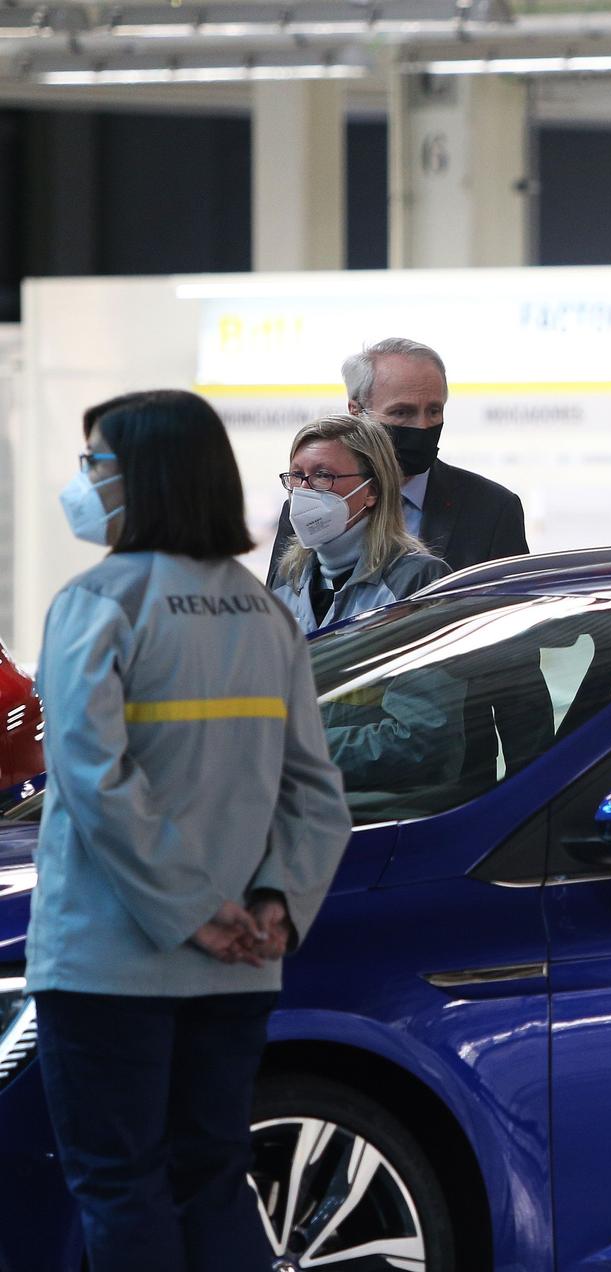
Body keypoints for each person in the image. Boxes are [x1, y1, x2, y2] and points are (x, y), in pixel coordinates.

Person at [33, 389, 349, 1272]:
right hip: (240, 965)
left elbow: (97, 782)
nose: (84, 483)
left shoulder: (99, 600)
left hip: (111, 960)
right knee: (211, 1179)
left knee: (119, 1183)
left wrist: (194, 910)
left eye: (95, 465)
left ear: (145, 477)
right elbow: (317, 794)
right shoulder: (262, 613)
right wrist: (274, 905)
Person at [265, 338, 528, 584]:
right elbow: (283, 602)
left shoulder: (492, 508)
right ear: (356, 411)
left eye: (434, 411)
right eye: (402, 412)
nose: (423, 426)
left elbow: (513, 616)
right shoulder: (312, 503)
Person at [270, 414, 449, 633]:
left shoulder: (416, 578)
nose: (302, 490)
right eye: (297, 475)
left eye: (323, 475)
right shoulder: (289, 574)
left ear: (371, 491)